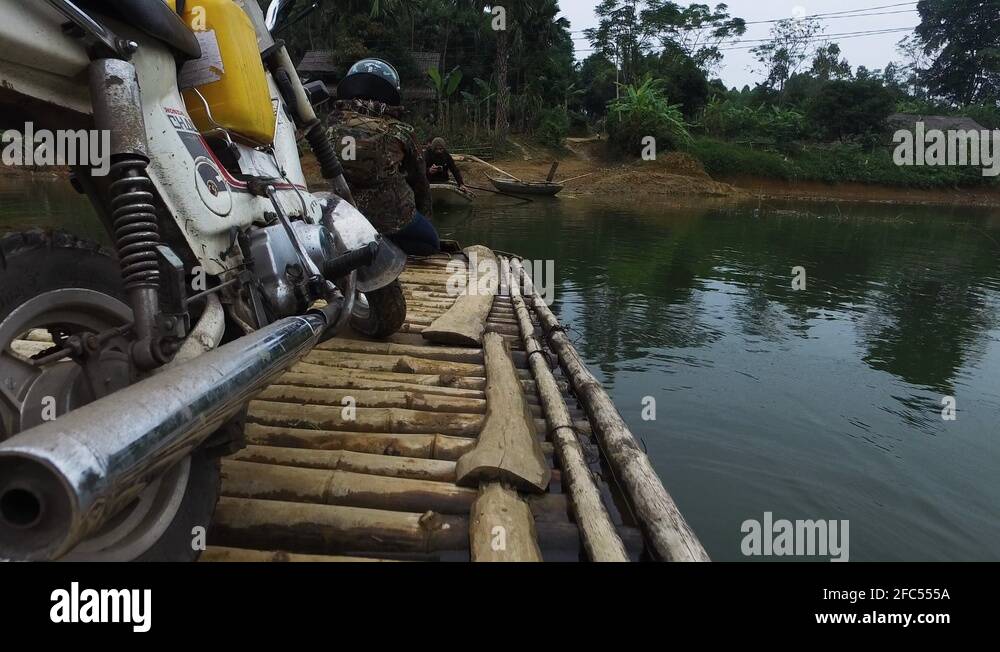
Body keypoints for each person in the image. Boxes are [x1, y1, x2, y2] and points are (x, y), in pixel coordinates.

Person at [329, 59, 440, 256]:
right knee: (431, 243)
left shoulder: (332, 127)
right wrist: (424, 217)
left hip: (344, 217)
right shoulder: (400, 131)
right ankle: (384, 249)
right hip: (393, 221)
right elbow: (420, 181)